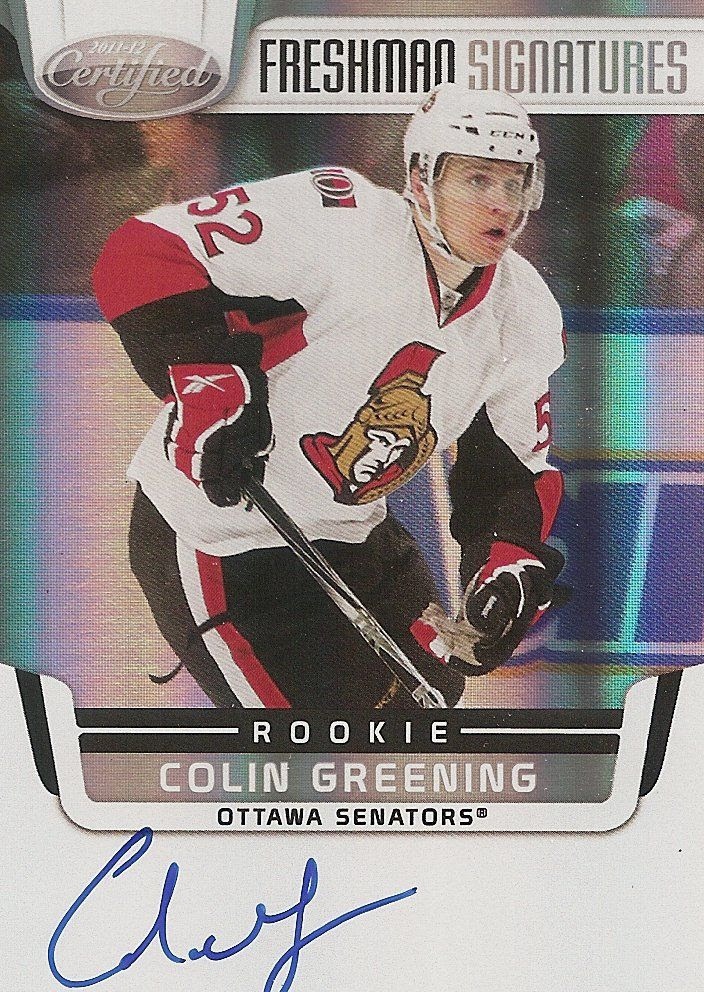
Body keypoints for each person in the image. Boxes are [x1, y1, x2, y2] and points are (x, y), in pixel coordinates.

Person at [93, 83, 566, 710]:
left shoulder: (526, 311)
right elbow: (144, 251)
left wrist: (507, 560)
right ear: (421, 180)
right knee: (303, 744)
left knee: (426, 708)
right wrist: (211, 384)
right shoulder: (337, 218)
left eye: (514, 182)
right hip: (212, 534)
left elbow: (511, 469)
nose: (500, 202)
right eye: (476, 179)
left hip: (352, 534)